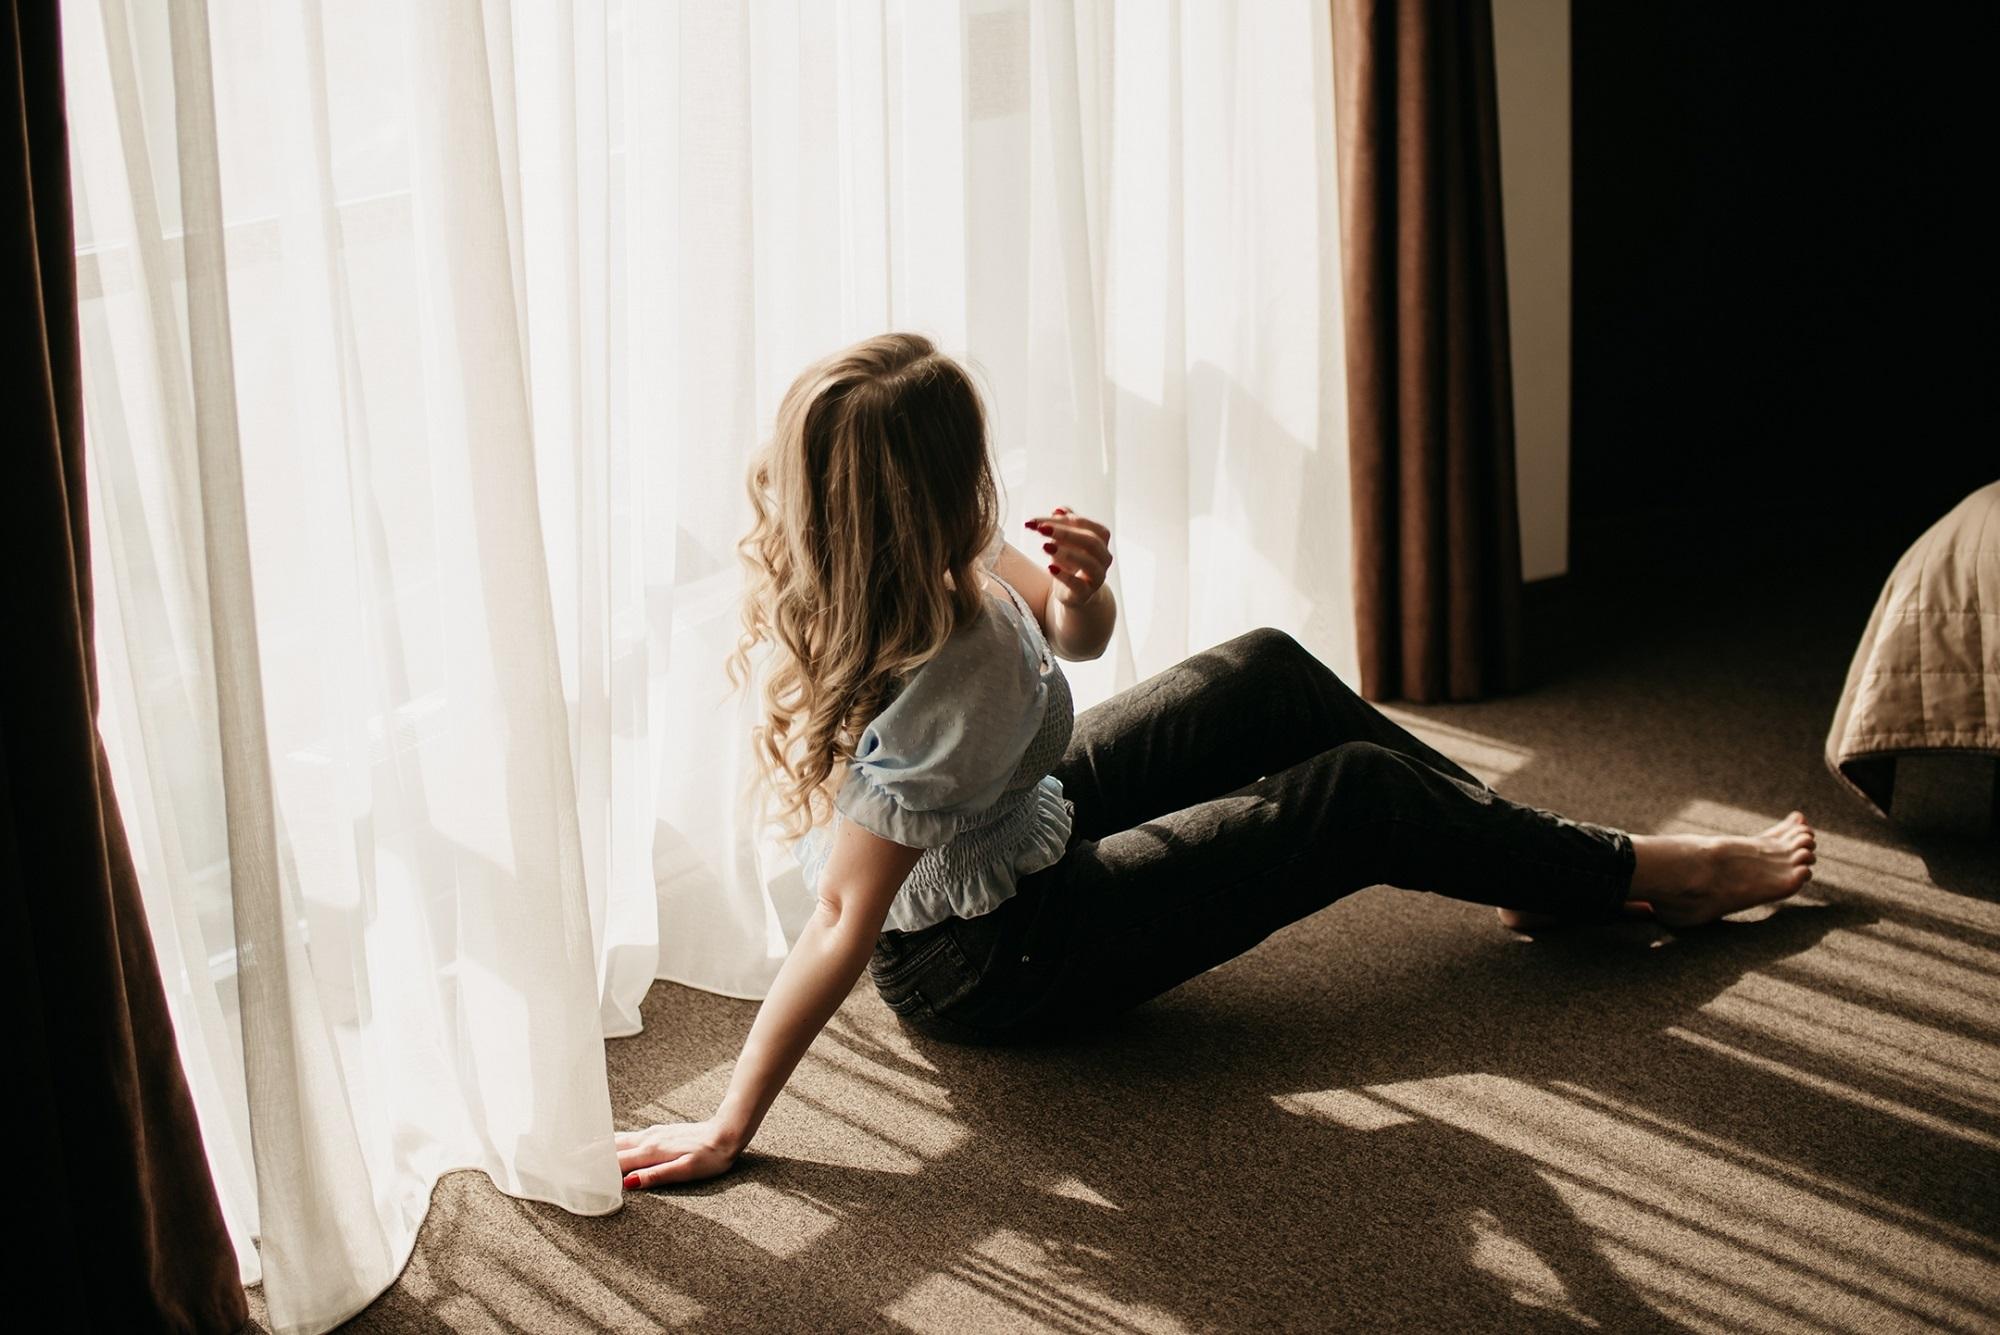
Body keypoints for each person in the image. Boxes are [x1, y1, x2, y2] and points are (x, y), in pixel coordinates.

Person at [615, 332, 1816, 1191]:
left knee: (1264, 667)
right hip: (991, 961)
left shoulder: (951, 557)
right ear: (936, 483)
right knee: (1355, 795)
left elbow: (1072, 639)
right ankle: (1626, 870)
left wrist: (1083, 588)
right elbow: (842, 916)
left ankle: (1524, 867)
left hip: (1016, 828)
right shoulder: (948, 676)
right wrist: (728, 1124)